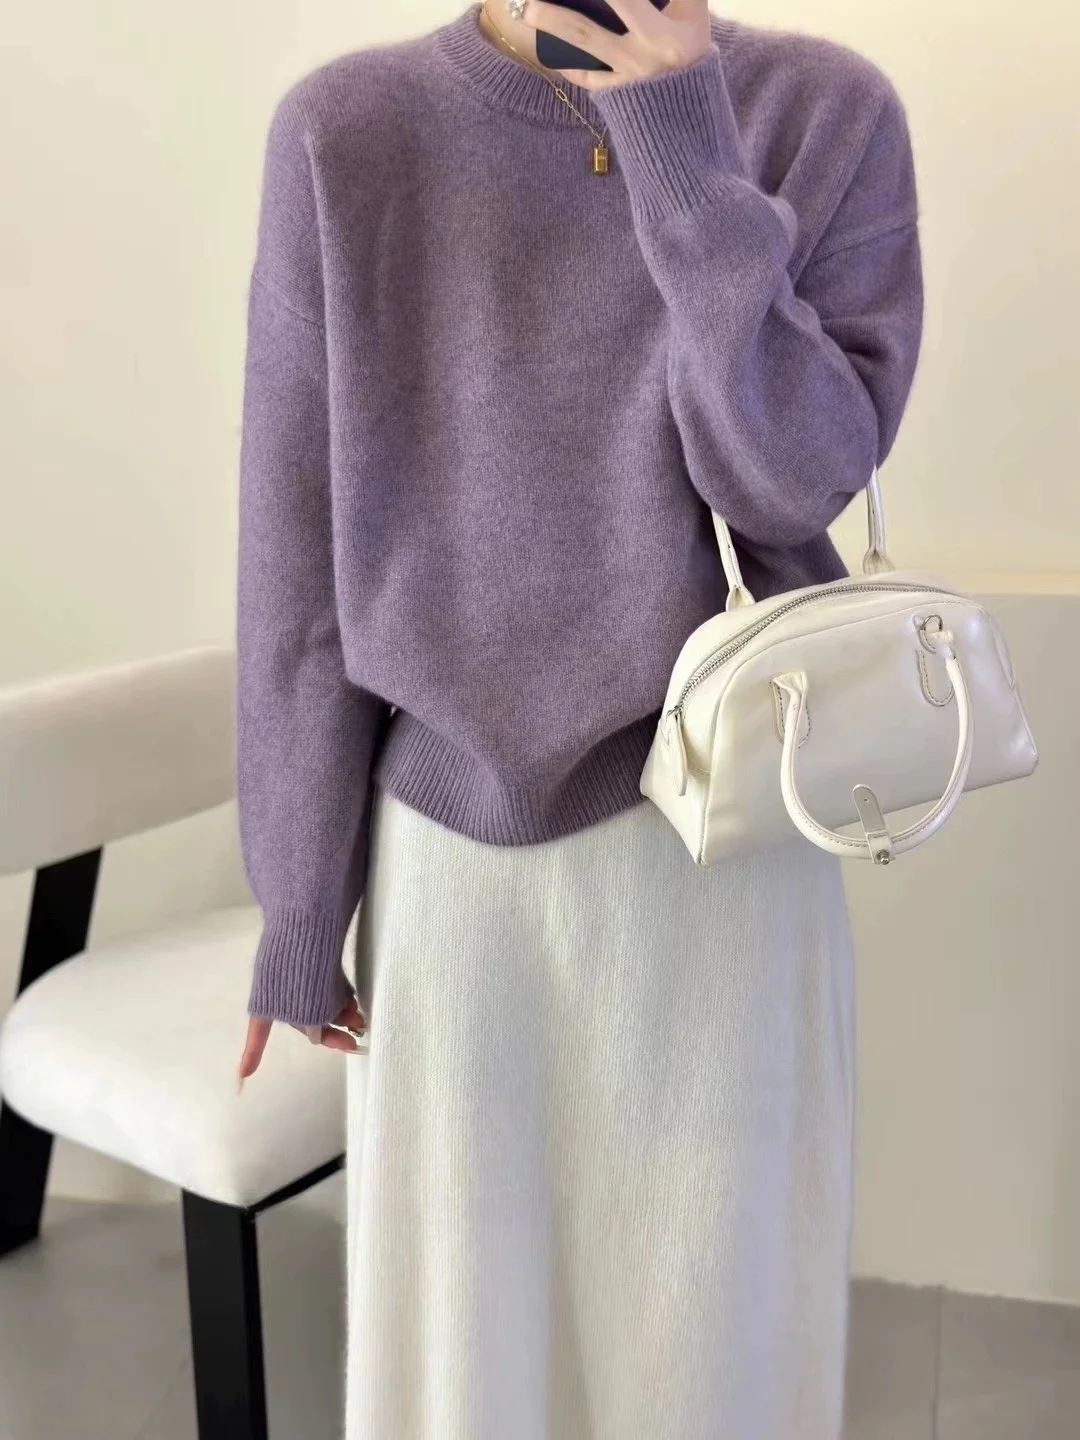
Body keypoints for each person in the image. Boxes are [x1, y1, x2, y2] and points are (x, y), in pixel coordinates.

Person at [235, 0, 923, 1434]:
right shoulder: (343, 134)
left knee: (723, 1359)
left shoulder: (826, 114)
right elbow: (296, 561)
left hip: (727, 864)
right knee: (464, 1375)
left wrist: (680, 145)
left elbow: (793, 483)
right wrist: (300, 901)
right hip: (456, 888)